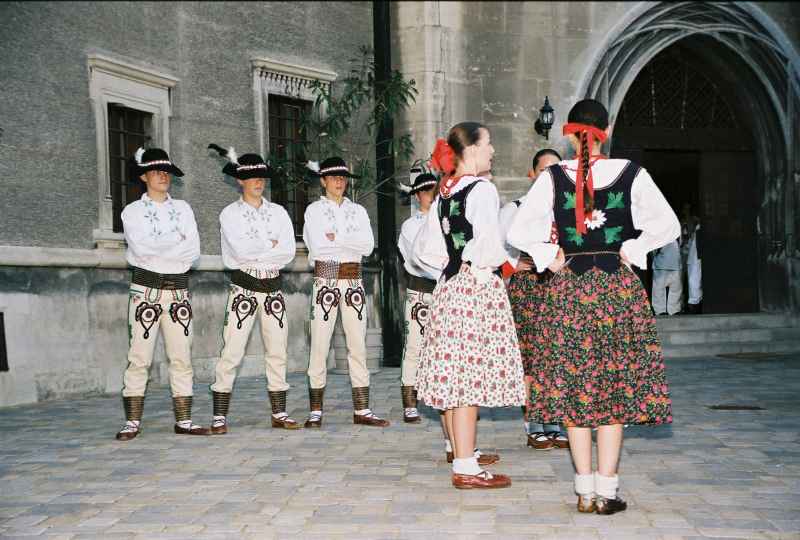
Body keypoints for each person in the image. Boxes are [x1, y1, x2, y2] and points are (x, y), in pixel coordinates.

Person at [508, 99, 677, 514]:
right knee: (613, 389)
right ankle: (608, 490)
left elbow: (517, 231)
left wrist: (550, 257)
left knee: (575, 388)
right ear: (608, 129)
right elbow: (668, 225)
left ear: (570, 134)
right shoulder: (632, 173)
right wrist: (632, 249)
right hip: (617, 291)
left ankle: (584, 491)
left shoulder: (552, 177)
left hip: (569, 291)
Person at [413, 123, 525, 489]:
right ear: (472, 149)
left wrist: (451, 268)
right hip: (475, 288)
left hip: (450, 288)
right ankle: (465, 467)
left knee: (456, 376)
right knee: (468, 379)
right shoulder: (481, 189)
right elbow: (489, 245)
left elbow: (423, 251)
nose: (492, 150)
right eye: (488, 143)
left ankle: (462, 455)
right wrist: (493, 267)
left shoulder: (446, 192)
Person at [116, 147, 208, 440]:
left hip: (179, 290)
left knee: (181, 356)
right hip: (146, 290)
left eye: (166, 171)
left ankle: (184, 420)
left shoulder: (184, 209)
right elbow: (141, 248)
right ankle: (132, 422)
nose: (163, 176)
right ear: (144, 176)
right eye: (156, 171)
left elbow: (192, 251)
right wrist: (175, 242)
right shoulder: (132, 212)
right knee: (139, 357)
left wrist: (163, 246)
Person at [206, 145, 298, 434]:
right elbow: (240, 250)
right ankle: (219, 416)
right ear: (239, 180)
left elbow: (288, 252)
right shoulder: (229, 214)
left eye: (262, 176)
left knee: (277, 349)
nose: (258, 181)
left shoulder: (279, 213)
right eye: (252, 177)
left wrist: (260, 249)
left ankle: (279, 412)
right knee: (232, 349)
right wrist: (269, 245)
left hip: (273, 288)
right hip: (244, 287)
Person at [302, 156, 389, 428]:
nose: (339, 182)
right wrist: (349, 242)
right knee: (320, 343)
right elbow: (318, 247)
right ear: (323, 181)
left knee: (357, 344)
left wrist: (337, 239)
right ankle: (315, 411)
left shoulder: (358, 211)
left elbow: (367, 246)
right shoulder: (314, 211)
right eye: (334, 177)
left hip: (352, 279)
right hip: (326, 278)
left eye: (342, 178)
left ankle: (362, 409)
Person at [500, 148, 570, 451]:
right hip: (528, 289)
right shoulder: (515, 208)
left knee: (557, 356)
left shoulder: (567, 210)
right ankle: (534, 424)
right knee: (531, 357)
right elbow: (496, 248)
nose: (550, 176)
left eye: (556, 170)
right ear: (533, 174)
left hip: (560, 287)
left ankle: (554, 421)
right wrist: (513, 265)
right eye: (544, 170)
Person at [397, 170, 439, 423]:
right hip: (421, 289)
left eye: (434, 190)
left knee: (447, 346)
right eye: (425, 191)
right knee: (414, 345)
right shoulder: (411, 226)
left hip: (445, 289)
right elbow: (416, 259)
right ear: (417, 196)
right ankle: (410, 402)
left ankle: (448, 399)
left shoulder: (446, 220)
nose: (430, 195)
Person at [651, 238, 683, 316]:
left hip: (673, 262)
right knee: (660, 288)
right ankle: (660, 310)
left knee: (675, 288)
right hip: (662, 262)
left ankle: (673, 310)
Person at [682, 203, 703, 314]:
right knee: (690, 280)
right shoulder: (692, 230)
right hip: (689, 257)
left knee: (694, 280)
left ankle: (694, 304)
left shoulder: (698, 227)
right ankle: (692, 303)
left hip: (695, 258)